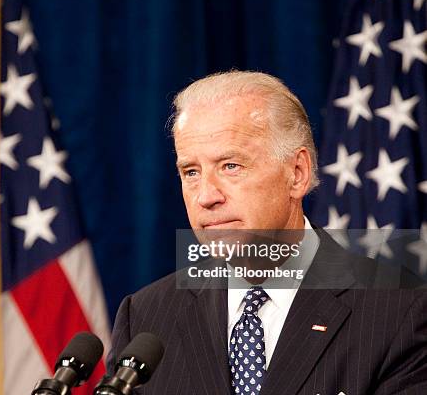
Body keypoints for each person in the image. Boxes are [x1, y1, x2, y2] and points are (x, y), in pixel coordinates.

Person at [106, 71, 427, 395]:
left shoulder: (399, 310)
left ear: (297, 173)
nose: (206, 196)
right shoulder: (146, 316)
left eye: (230, 166)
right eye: (191, 172)